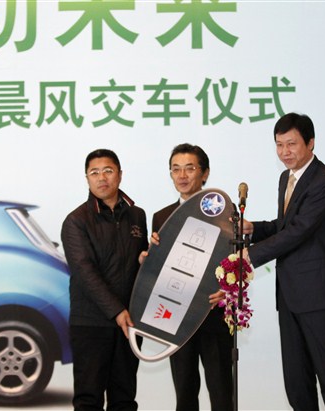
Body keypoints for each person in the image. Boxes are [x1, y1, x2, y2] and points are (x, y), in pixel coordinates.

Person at [242, 113, 325, 411]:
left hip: (320, 296)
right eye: (279, 145)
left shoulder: (324, 181)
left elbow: (299, 231)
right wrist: (254, 229)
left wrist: (250, 256)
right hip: (290, 296)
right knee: (297, 381)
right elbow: (285, 226)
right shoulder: (287, 178)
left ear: (311, 142)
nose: (285, 152)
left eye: (291, 144)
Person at [61, 149, 148, 411]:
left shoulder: (137, 215)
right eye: (94, 173)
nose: (102, 178)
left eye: (108, 171)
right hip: (91, 323)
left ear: (120, 175)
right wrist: (116, 311)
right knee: (89, 400)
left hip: (129, 322)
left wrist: (146, 258)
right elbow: (85, 272)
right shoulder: (76, 221)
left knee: (124, 398)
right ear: (87, 178)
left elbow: (139, 262)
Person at [150, 143, 233, 411]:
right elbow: (157, 272)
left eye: (189, 168)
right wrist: (149, 257)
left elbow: (238, 261)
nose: (182, 175)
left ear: (205, 173)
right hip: (177, 319)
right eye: (176, 169)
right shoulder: (161, 217)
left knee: (222, 392)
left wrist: (228, 289)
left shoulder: (224, 212)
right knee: (184, 393)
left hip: (214, 314)